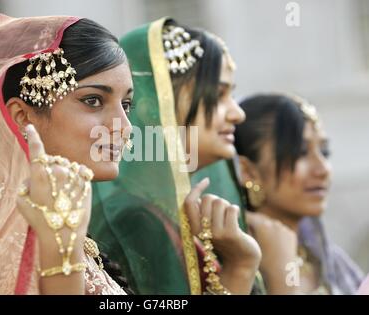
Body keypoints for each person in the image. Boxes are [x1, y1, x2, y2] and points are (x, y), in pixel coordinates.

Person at [0, 14, 137, 294]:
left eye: (126, 104)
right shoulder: (11, 249)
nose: (123, 127)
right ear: (22, 117)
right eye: (93, 100)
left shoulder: (62, 230)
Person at [89, 17, 262, 295]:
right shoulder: (135, 223)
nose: (237, 113)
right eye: (218, 95)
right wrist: (240, 266)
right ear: (152, 106)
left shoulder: (183, 214)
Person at [235, 93, 364, 294]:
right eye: (300, 153)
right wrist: (282, 274)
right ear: (248, 171)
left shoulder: (331, 264)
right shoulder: (235, 267)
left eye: (325, 152)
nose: (323, 169)